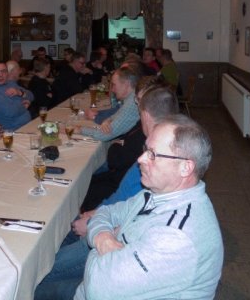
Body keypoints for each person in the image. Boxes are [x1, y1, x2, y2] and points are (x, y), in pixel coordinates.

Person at [34, 87, 179, 300]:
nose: (141, 159)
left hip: (110, 252)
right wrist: (96, 214)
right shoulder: (165, 150)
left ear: (146, 115)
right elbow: (130, 203)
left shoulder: (161, 166)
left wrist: (96, 224)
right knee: (58, 228)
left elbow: (130, 228)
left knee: (39, 274)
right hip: (108, 222)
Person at [74, 116, 223, 300]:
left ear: (185, 168)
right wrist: (104, 238)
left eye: (152, 154)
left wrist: (100, 238)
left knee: (45, 281)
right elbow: (106, 211)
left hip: (95, 288)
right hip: (99, 283)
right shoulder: (155, 193)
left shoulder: (177, 236)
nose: (140, 159)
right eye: (146, 149)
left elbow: (98, 289)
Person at [81, 84, 178, 211]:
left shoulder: (149, 154)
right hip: (119, 196)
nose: (136, 105)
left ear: (146, 115)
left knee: (86, 184)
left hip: (115, 202)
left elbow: (126, 200)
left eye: (139, 103)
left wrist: (94, 215)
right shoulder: (173, 143)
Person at [77, 67, 139, 142]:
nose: (112, 89)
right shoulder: (132, 97)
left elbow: (102, 135)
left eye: (114, 85)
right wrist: (108, 120)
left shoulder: (132, 103)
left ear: (126, 84)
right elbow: (118, 113)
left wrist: (79, 129)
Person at [0, 60, 33, 130]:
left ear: (7, 73)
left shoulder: (10, 83)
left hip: (28, 124)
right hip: (14, 130)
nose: (0, 75)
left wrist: (19, 92)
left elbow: (31, 95)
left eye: (3, 71)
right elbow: (11, 111)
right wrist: (25, 104)